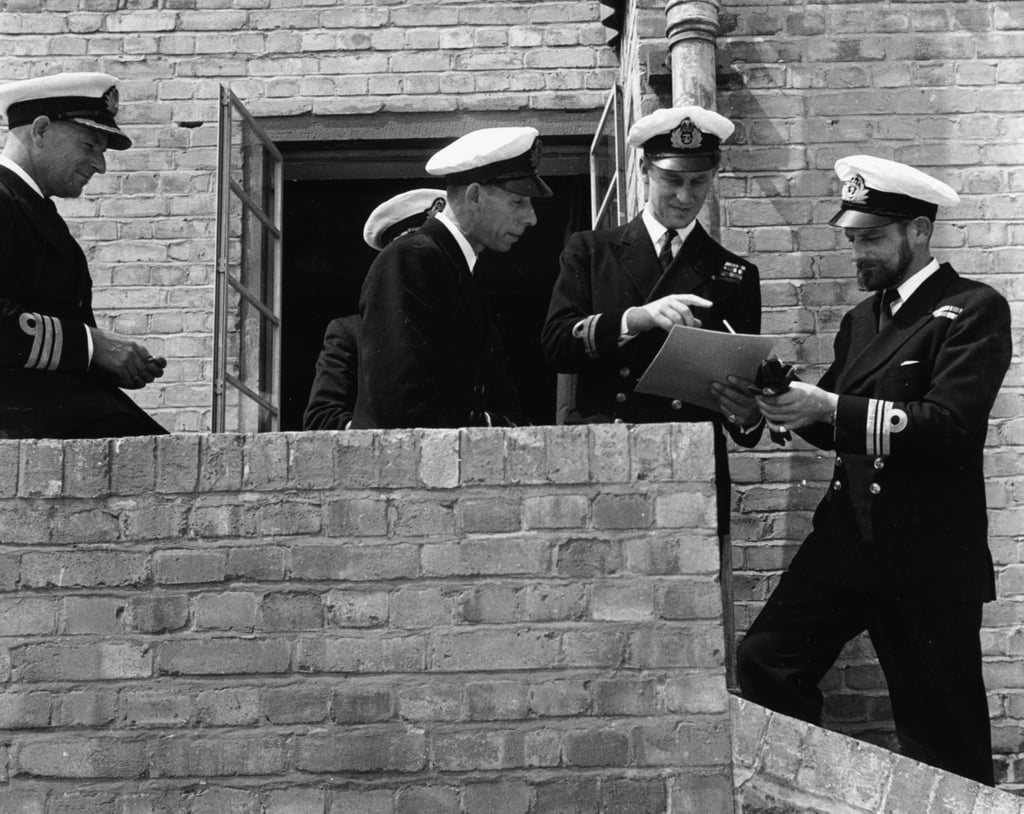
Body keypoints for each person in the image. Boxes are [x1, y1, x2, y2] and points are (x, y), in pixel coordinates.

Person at [737, 155, 1012, 785]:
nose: (857, 251)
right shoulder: (863, 319)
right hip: (847, 545)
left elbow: (948, 427)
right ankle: (807, 794)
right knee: (766, 660)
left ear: (919, 231)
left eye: (871, 238)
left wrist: (827, 404)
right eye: (852, 237)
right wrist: (770, 406)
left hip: (927, 554)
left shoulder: (972, 309)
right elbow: (828, 417)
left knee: (943, 733)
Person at [541, 106, 764, 538]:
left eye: (698, 182)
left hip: (689, 467)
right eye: (673, 180)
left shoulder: (733, 273)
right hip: (608, 455)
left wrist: (749, 412)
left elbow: (744, 409)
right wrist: (637, 318)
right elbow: (555, 346)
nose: (685, 196)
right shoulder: (591, 251)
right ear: (645, 170)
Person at [0, 72, 167, 439]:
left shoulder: (34, 208)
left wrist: (110, 364)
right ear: (41, 131)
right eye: (89, 146)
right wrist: (92, 347)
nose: (100, 165)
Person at [351, 126, 550, 429]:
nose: (531, 218)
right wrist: (491, 423)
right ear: (474, 196)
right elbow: (401, 407)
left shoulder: (456, 269)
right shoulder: (409, 260)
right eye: (517, 201)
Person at [302, 188, 446, 430]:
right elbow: (321, 420)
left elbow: (507, 415)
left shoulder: (474, 325)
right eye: (409, 255)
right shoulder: (350, 332)